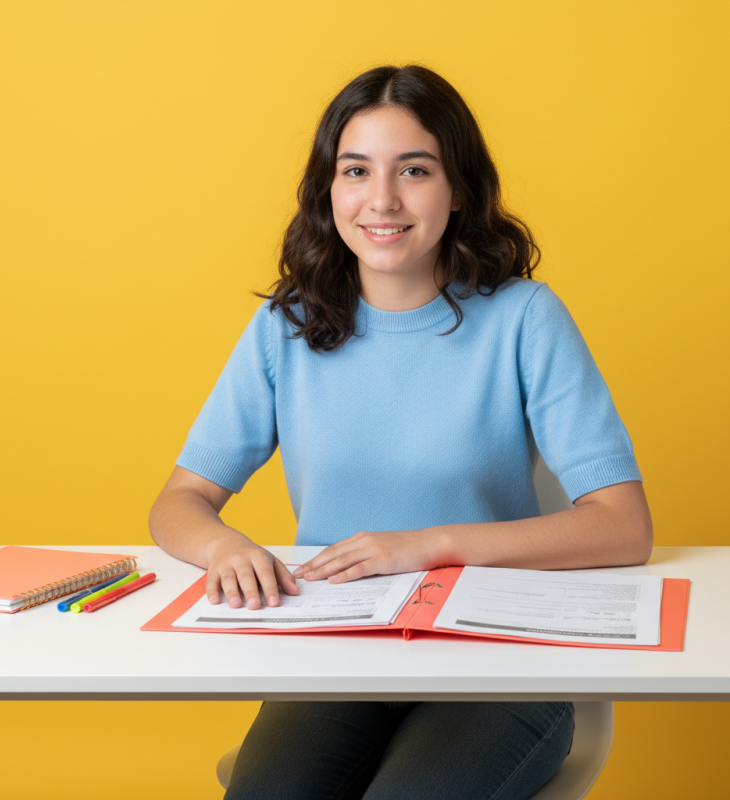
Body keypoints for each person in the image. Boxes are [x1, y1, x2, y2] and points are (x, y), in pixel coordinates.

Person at [149, 64, 652, 800]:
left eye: (414, 170)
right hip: (338, 658)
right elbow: (179, 500)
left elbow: (622, 527)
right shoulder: (285, 328)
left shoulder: (524, 318)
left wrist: (428, 545)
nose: (382, 199)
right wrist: (225, 547)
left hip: (498, 662)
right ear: (330, 189)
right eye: (357, 170)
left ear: (458, 190)